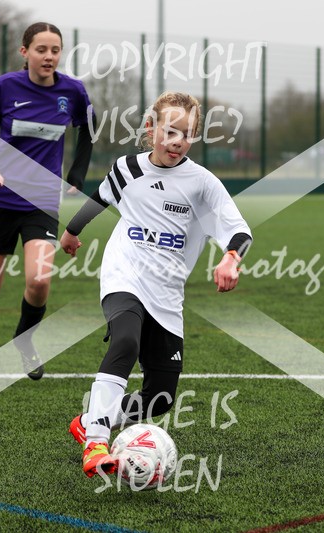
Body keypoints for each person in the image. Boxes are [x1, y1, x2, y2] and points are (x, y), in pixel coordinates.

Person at [59, 91, 252, 477]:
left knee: (160, 397)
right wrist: (71, 232)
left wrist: (231, 260)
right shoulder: (128, 168)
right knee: (126, 341)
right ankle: (95, 442)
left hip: (167, 293)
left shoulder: (202, 183)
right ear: (152, 129)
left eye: (187, 133)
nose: (177, 141)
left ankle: (90, 419)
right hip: (124, 274)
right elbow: (101, 196)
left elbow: (238, 230)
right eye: (170, 131)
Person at [0, 22, 94, 381]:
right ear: (25, 52)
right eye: (41, 49)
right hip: (0, 200)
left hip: (41, 200)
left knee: (39, 281)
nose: (48, 57)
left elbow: (87, 132)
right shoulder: (5, 87)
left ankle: (24, 341)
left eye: (55, 50)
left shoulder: (73, 91)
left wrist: (77, 173)